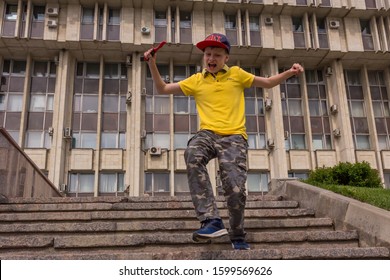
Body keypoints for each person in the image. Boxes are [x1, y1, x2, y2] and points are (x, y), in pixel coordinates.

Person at [144, 33, 304, 250]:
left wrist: (290, 72)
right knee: (192, 153)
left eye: (217, 55)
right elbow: (162, 88)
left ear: (226, 58)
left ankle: (237, 234)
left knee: (235, 189)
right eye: (208, 54)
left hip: (234, 137)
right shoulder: (197, 80)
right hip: (208, 134)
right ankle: (211, 220)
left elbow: (267, 83)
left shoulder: (237, 75)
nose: (211, 59)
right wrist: (152, 63)